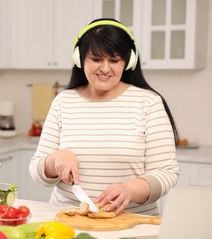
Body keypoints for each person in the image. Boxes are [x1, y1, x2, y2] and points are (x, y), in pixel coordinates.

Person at [29, 18, 179, 216]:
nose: (105, 69)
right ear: (79, 59)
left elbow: (167, 172)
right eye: (97, 59)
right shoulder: (63, 101)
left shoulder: (148, 103)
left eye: (114, 61)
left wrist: (130, 189)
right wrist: (54, 160)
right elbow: (36, 169)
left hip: (132, 222)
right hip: (68, 219)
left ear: (128, 62)